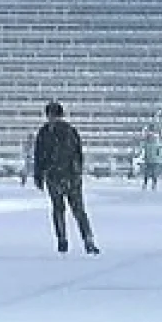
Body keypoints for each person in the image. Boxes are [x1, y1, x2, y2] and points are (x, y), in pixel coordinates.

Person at [33, 101, 99, 255]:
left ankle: (72, 240)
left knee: (66, 210)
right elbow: (78, 154)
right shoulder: (65, 131)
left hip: (61, 176)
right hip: (64, 176)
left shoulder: (51, 132)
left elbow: (40, 156)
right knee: (71, 210)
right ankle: (78, 240)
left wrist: (39, 175)